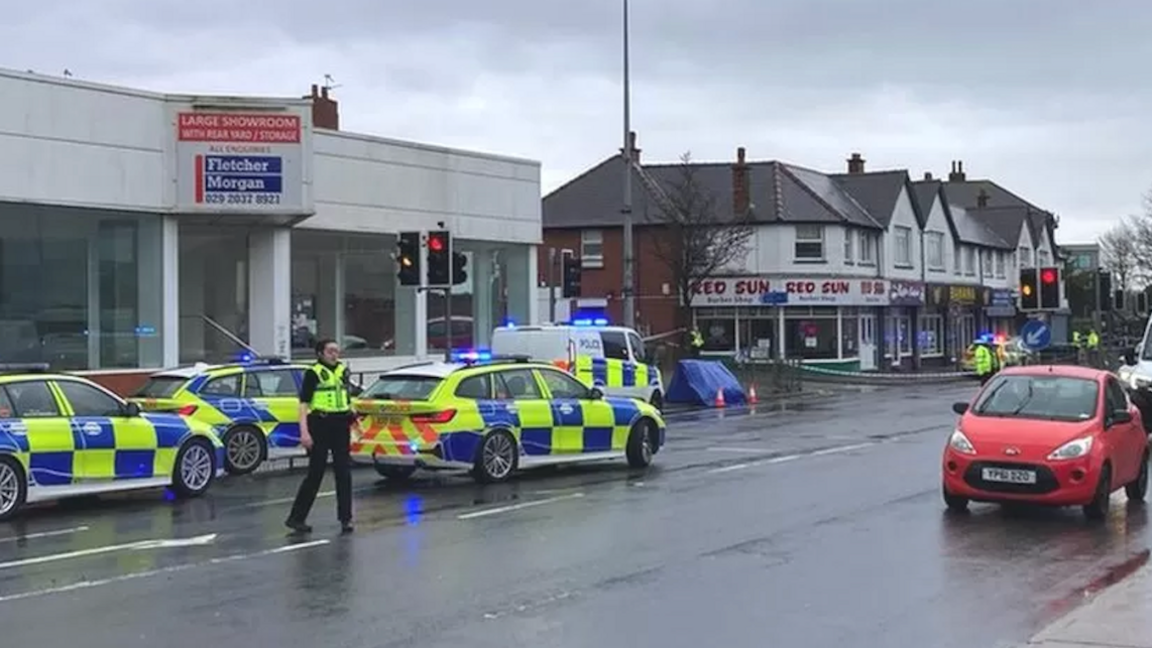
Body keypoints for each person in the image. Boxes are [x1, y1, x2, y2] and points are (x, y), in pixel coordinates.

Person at [286, 338, 357, 534]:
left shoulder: (343, 371)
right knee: (315, 474)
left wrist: (352, 413)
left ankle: (346, 519)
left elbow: (346, 396)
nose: (335, 354)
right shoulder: (313, 373)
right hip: (320, 423)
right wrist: (304, 432)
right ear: (320, 354)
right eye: (330, 351)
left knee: (344, 473)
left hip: (341, 424)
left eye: (337, 351)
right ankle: (296, 518)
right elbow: (303, 404)